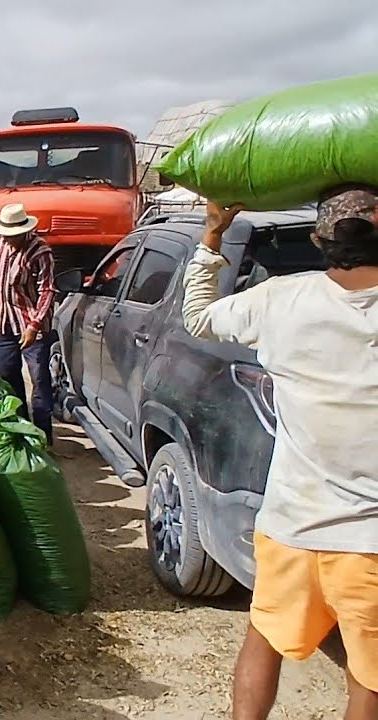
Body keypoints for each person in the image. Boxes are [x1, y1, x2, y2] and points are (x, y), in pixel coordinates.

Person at [182, 188, 378, 720]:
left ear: (322, 241)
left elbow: (198, 318)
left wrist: (213, 235)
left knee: (263, 639)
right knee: (368, 677)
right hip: (368, 541)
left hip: (290, 523)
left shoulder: (281, 300)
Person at [0, 203, 57, 444]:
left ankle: (43, 435)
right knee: (6, 373)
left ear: (25, 232)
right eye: (6, 235)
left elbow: (47, 291)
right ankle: (21, 428)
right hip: (4, 321)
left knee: (39, 379)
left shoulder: (41, 252)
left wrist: (34, 325)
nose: (9, 240)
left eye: (14, 236)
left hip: (32, 324)